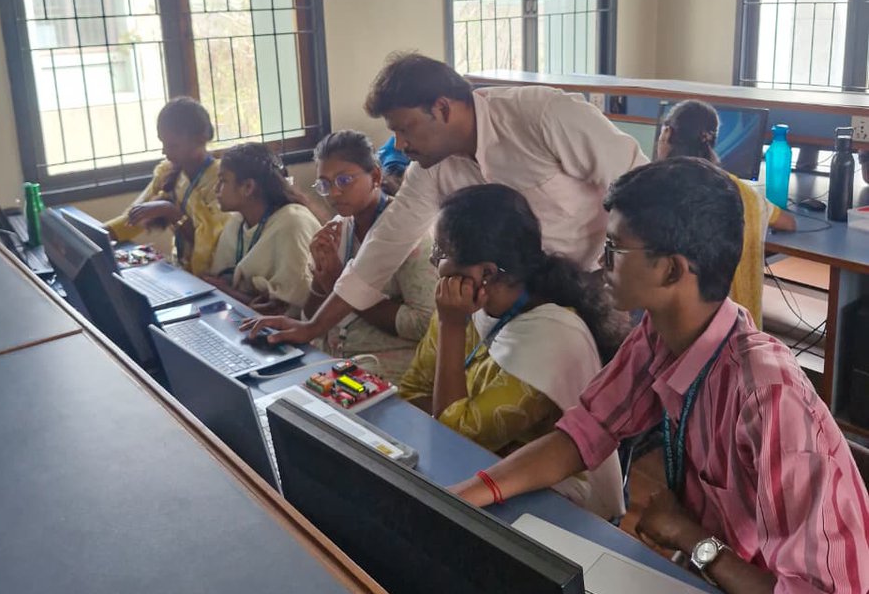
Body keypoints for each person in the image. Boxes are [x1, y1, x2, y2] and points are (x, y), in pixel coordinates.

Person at [452, 159, 869, 594]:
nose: (602, 262)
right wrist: (466, 496)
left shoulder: (765, 395)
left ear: (672, 269)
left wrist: (690, 538)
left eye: (615, 249)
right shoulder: (660, 334)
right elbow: (583, 434)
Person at [246, 53, 646, 348]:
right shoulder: (430, 167)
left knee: (598, 412)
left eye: (405, 129)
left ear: (442, 108)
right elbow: (384, 246)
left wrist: (624, 276)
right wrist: (311, 327)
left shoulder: (542, 115)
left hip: (593, 288)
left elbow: (636, 186)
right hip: (506, 301)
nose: (399, 145)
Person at [399, 184, 626, 519]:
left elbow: (455, 439)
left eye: (440, 253)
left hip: (559, 497)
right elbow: (412, 390)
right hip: (487, 468)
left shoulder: (552, 339)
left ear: (486, 273)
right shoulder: (466, 306)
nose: (435, 265)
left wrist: (451, 327)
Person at [291, 130, 434, 380]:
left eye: (344, 181)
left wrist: (340, 282)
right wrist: (320, 276)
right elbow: (310, 319)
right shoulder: (340, 228)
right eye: (324, 184)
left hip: (390, 364)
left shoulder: (410, 234)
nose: (333, 193)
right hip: (337, 357)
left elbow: (425, 324)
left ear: (375, 176)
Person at [655, 99, 796, 326]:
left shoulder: (658, 193)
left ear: (667, 133)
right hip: (743, 331)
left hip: (685, 333)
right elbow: (789, 223)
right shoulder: (744, 193)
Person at [107, 97, 225, 276]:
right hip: (181, 270)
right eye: (162, 143)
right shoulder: (167, 172)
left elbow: (215, 247)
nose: (165, 152)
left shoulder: (221, 180)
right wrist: (95, 236)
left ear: (200, 139)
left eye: (173, 145)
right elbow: (133, 218)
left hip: (212, 277)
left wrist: (171, 212)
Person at [204, 143, 320, 312]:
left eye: (223, 181)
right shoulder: (236, 223)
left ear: (248, 187)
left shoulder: (292, 223)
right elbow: (222, 278)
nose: (216, 189)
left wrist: (223, 291)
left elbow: (293, 307)